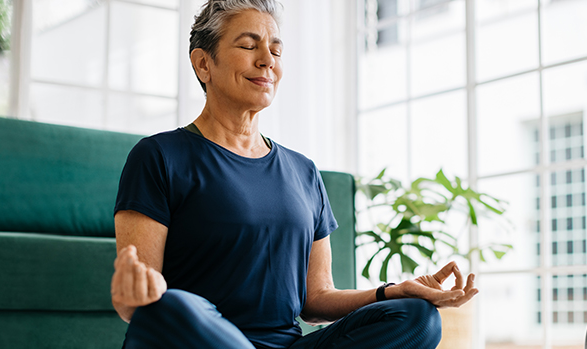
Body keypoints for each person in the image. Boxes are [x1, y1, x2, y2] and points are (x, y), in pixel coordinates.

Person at [111, 1, 478, 348]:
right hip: (196, 338)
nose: (267, 60)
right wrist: (133, 298)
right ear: (204, 64)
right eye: (248, 45)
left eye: (276, 49)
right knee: (175, 306)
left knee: (417, 317)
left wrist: (394, 291)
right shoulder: (159, 156)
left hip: (285, 343)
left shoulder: (303, 171)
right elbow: (140, 300)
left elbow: (316, 300)